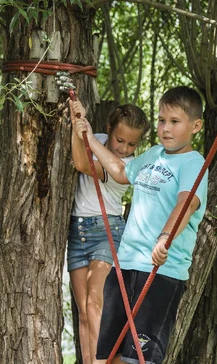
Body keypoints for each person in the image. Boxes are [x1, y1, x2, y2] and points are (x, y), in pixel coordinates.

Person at [73, 86, 208, 364]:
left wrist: (165, 236)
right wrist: (86, 135)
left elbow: (187, 202)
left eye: (174, 122)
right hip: (125, 266)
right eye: (161, 120)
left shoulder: (193, 163)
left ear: (196, 126)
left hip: (159, 272)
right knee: (106, 356)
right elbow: (121, 171)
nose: (165, 128)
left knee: (138, 360)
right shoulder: (154, 154)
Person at [67, 102, 150, 364]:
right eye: (120, 139)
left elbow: (81, 162)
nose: (124, 148)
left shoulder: (125, 166)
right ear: (108, 130)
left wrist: (79, 129)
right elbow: (83, 149)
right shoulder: (100, 141)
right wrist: (79, 121)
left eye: (131, 144)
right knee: (83, 312)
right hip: (77, 233)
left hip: (107, 231)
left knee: (96, 307)